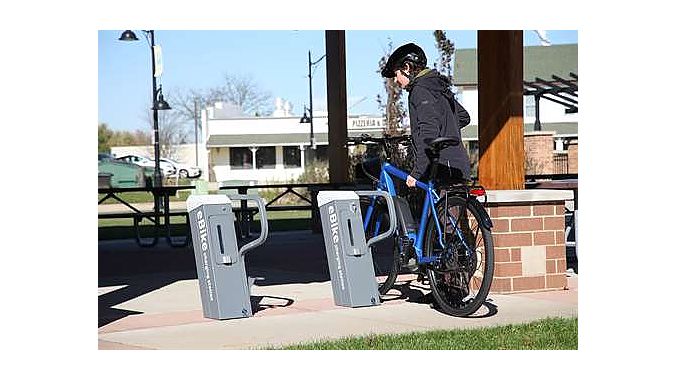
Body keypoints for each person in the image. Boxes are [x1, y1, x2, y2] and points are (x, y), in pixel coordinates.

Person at [381, 42, 471, 188]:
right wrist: (447, 130)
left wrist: (416, 173)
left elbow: (428, 132)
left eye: (396, 74)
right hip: (457, 165)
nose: (396, 80)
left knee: (442, 210)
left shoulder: (420, 91)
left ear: (407, 68)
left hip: (443, 167)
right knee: (445, 210)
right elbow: (463, 117)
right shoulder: (437, 86)